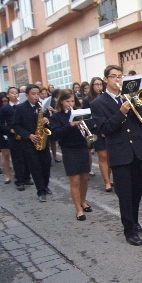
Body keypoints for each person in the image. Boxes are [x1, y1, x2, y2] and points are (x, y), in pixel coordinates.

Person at [90, 65, 142, 246]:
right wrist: (122, 112)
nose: (117, 80)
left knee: (138, 190)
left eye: (120, 76)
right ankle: (129, 230)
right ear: (106, 79)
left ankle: (135, 220)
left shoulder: (129, 97)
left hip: (137, 151)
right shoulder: (98, 104)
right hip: (120, 153)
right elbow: (105, 129)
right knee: (125, 194)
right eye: (113, 76)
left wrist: (136, 104)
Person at [50, 90, 92, 220]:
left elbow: (89, 127)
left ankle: (83, 201)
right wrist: (70, 125)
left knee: (84, 177)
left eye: (72, 101)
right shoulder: (57, 116)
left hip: (82, 147)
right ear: (61, 102)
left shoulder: (79, 112)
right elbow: (55, 134)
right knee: (75, 180)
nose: (70, 104)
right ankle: (78, 209)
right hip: (69, 149)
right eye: (67, 101)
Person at [12, 84, 52, 202]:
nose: (36, 96)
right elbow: (16, 125)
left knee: (46, 164)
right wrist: (28, 135)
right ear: (27, 95)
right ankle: (40, 190)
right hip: (29, 142)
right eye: (33, 94)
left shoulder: (42, 106)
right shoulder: (20, 108)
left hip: (42, 140)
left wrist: (47, 120)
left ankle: (45, 185)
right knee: (35, 167)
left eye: (37, 94)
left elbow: (48, 122)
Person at [0, 86, 31, 189]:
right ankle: (20, 180)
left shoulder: (22, 106)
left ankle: (27, 178)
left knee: (26, 157)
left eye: (16, 92)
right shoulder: (5, 108)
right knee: (17, 159)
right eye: (12, 93)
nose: (15, 94)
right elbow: (0, 124)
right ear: (8, 95)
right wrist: (9, 130)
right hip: (13, 136)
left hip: (24, 135)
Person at [84, 77, 113, 192]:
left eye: (100, 84)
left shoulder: (106, 97)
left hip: (107, 128)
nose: (99, 87)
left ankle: (109, 178)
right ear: (92, 86)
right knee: (102, 156)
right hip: (96, 130)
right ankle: (106, 182)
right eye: (96, 84)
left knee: (110, 156)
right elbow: (85, 116)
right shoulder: (87, 100)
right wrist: (94, 125)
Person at [0, 92, 11, 183]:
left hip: (11, 132)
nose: (4, 103)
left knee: (16, 154)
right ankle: (8, 176)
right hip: (1, 133)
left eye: (6, 101)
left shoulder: (11, 108)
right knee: (5, 154)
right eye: (2, 102)